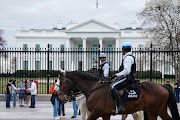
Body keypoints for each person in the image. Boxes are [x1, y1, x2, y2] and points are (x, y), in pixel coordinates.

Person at [111, 42, 136, 112]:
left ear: (124, 50)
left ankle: (120, 106)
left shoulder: (127, 58)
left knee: (113, 87)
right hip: (129, 77)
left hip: (128, 78)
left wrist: (116, 75)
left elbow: (126, 71)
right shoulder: (130, 57)